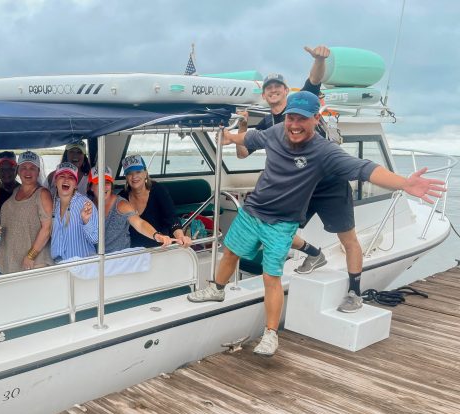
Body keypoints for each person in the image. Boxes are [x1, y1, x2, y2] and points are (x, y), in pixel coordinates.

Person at [188, 91, 445, 357]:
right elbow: (251, 137)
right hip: (253, 211)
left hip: (282, 223)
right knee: (230, 252)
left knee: (271, 277)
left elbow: (365, 168)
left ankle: (271, 334)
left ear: (315, 119)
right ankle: (216, 290)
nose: (295, 124)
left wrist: (404, 183)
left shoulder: (324, 152)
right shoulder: (276, 132)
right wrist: (230, 137)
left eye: (302, 119)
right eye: (291, 117)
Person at [237, 45, 366, 312]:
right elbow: (241, 153)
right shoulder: (266, 125)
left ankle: (355, 291)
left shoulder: (305, 101)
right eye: (268, 88)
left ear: (286, 91)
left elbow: (315, 78)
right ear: (264, 94)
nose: (273, 90)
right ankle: (314, 254)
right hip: (299, 189)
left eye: (278, 87)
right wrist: (241, 127)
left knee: (348, 239)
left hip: (330, 184)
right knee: (272, 229)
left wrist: (319, 59)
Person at [87, 165, 174, 252]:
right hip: (96, 259)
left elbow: (139, 223)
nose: (104, 187)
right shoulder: (87, 206)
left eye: (107, 182)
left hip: (121, 259)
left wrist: (156, 235)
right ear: (91, 187)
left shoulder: (121, 204)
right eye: (98, 183)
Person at [0, 151, 53, 273]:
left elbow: (47, 228)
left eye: (32, 168)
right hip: (13, 261)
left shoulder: (42, 193)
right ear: (17, 170)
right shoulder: (16, 190)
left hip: (34, 263)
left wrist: (31, 255)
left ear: (38, 171)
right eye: (24, 168)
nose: (28, 172)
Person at [118, 155, 192, 248]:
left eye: (138, 172)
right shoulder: (121, 198)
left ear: (145, 173)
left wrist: (181, 237)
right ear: (126, 177)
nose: (134, 177)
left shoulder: (158, 190)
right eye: (129, 173)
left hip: (161, 247)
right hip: (134, 252)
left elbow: (171, 218)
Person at [50, 162, 99, 262]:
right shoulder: (52, 203)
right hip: (58, 265)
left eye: (71, 177)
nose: (66, 179)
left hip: (83, 265)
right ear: (55, 182)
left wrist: (86, 221)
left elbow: (95, 239)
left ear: (76, 185)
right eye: (62, 176)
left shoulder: (86, 204)